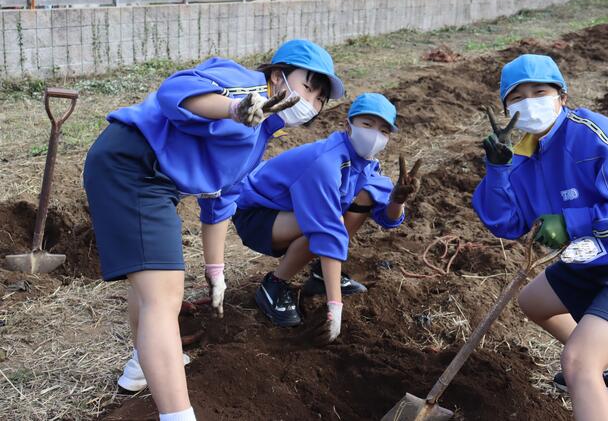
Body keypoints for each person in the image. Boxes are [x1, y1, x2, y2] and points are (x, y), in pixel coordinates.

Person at [83, 39, 345, 421]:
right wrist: (234, 109)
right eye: (308, 87)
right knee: (164, 294)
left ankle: (142, 365)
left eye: (320, 98)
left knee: (151, 285)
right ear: (278, 76)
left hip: (151, 179)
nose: (311, 102)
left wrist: (215, 271)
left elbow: (220, 199)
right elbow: (174, 91)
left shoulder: (259, 137)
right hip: (132, 166)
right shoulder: (246, 85)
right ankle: (177, 414)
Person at [472, 54, 608, 421]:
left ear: (562, 96)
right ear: (506, 110)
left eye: (539, 92)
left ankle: (593, 364)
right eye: (517, 97)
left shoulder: (595, 135)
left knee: (577, 361)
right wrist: (497, 170)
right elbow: (506, 224)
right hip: (592, 256)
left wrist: (569, 225)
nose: (529, 103)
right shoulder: (522, 157)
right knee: (533, 302)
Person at [231, 93, 421, 342]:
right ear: (348, 125)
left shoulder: (366, 166)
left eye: (383, 130)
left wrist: (398, 200)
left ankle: (322, 273)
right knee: (327, 222)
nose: (374, 135)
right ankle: (274, 285)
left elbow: (388, 218)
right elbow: (327, 229)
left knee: (364, 197)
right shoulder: (326, 162)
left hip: (289, 216)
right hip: (256, 216)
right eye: (367, 124)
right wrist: (335, 308)